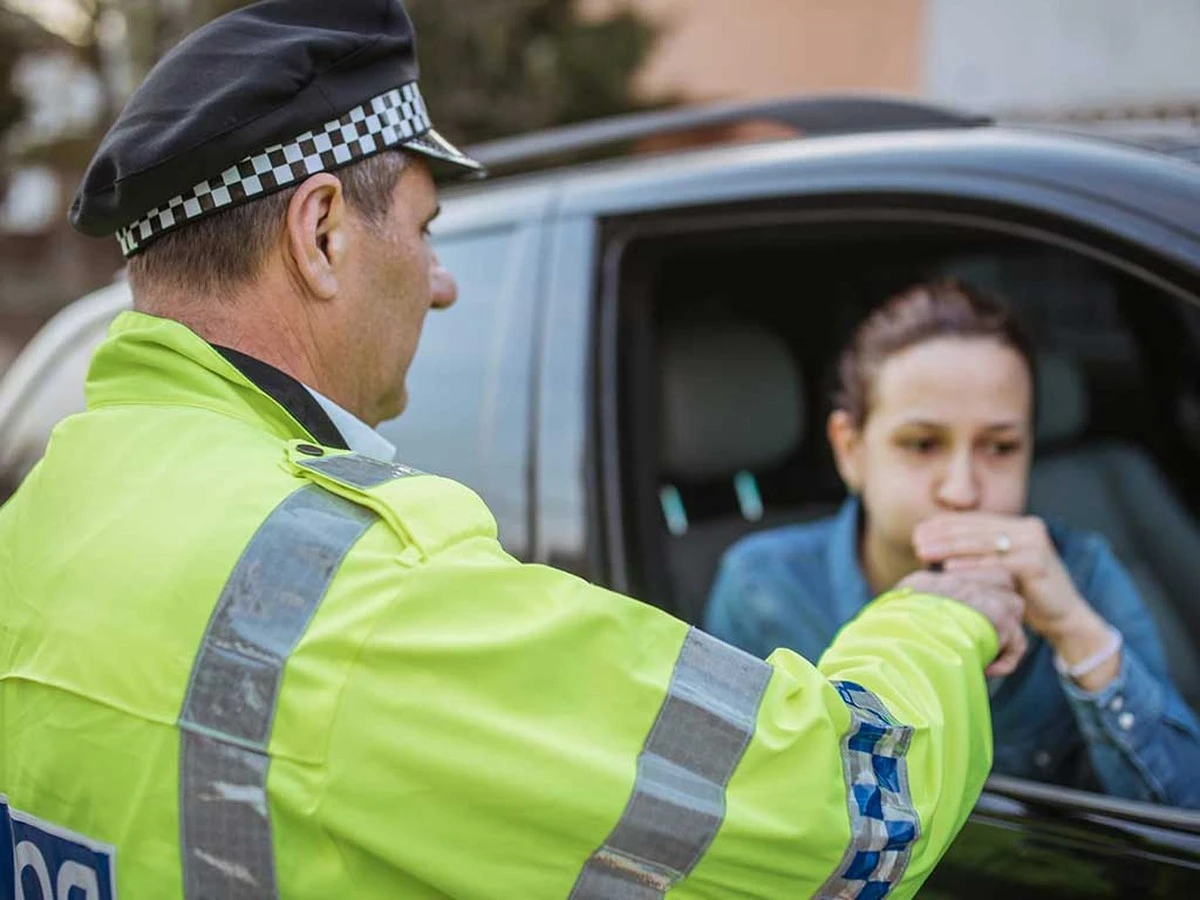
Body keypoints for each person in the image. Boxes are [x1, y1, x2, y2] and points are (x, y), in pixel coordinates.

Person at [0, 3, 1029, 897]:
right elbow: (835, 817)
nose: (442, 283)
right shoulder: (353, 591)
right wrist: (941, 617)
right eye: (426, 227)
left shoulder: (40, 518)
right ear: (320, 235)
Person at [705, 277, 1200, 808]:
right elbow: (739, 807)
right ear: (850, 450)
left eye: (1000, 447)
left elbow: (1185, 811)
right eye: (922, 444)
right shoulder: (764, 589)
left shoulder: (1077, 570)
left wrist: (1076, 634)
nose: (963, 490)